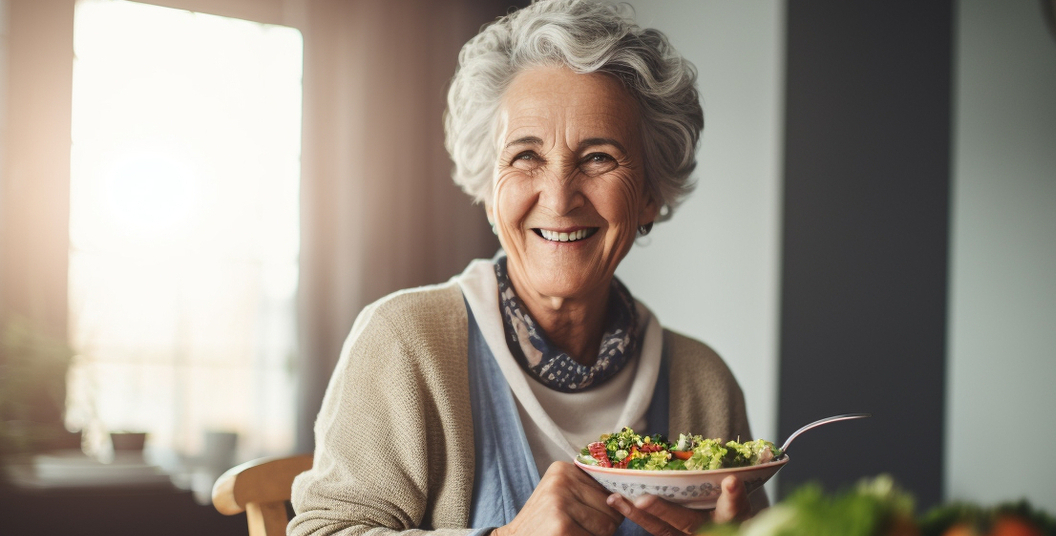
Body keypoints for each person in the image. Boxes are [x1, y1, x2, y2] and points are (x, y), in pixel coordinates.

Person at [289, 1, 766, 534]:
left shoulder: (704, 384)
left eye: (599, 157)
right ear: (491, 195)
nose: (560, 199)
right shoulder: (406, 343)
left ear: (651, 196)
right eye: (525, 156)